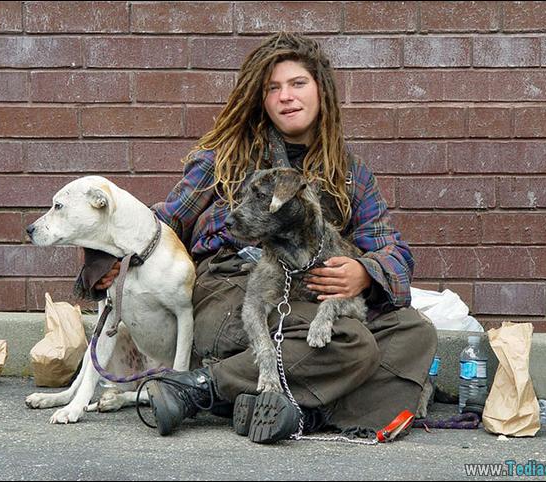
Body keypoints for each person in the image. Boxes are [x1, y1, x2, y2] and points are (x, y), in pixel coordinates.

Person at [95, 32, 437, 443]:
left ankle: (287, 410)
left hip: (308, 296)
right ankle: (197, 387)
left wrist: (365, 272)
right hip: (232, 293)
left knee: (414, 332)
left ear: (321, 91)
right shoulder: (227, 156)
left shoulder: (351, 173)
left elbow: (392, 249)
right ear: (261, 99)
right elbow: (166, 220)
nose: (286, 97)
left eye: (297, 84)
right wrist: (106, 256)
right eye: (273, 88)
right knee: (350, 343)